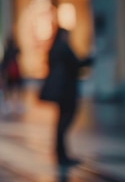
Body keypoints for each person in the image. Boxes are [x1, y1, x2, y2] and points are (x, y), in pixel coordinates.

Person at [39, 28, 93, 168]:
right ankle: (61, 154)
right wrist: (88, 60)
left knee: (61, 121)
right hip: (67, 90)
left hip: (60, 91)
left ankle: (60, 152)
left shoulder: (54, 48)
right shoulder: (63, 48)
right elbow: (75, 64)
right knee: (65, 121)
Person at [0, 36, 23, 114]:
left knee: (9, 89)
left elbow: (4, 63)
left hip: (10, 73)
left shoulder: (7, 51)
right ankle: (17, 104)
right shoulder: (15, 50)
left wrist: (3, 72)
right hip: (15, 72)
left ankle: (9, 104)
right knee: (17, 89)